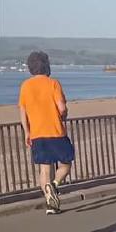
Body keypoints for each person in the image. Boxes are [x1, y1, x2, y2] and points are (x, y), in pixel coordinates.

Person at [18, 51, 72, 214]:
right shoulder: (53, 83)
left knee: (44, 169)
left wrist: (27, 132)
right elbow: (61, 107)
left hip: (36, 133)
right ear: (46, 65)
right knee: (66, 163)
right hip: (55, 131)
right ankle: (54, 185)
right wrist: (64, 114)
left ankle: (51, 203)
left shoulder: (25, 86)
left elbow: (23, 111)